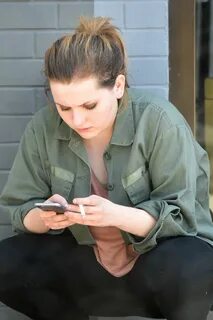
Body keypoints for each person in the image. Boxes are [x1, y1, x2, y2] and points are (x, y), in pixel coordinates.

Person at [0, 16, 213, 320]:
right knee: (7, 261)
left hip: (152, 264)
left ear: (118, 86)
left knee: (194, 265)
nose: (77, 120)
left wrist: (115, 215)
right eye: (64, 108)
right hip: (88, 268)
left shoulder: (158, 121)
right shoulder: (42, 128)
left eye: (89, 106)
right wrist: (45, 216)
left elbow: (183, 220)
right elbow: (21, 213)